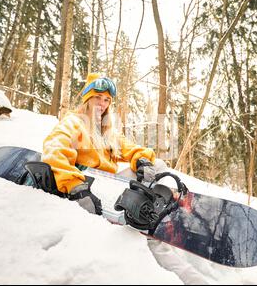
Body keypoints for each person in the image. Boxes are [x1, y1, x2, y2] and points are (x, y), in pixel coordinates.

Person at [42, 73, 167, 215]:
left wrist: (141, 160)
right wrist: (75, 187)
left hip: (111, 185)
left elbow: (131, 148)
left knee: (157, 165)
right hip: (88, 187)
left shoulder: (107, 131)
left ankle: (143, 211)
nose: (102, 103)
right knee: (157, 166)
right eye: (98, 97)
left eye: (107, 100)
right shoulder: (74, 121)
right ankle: (134, 212)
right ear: (88, 98)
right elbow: (54, 149)